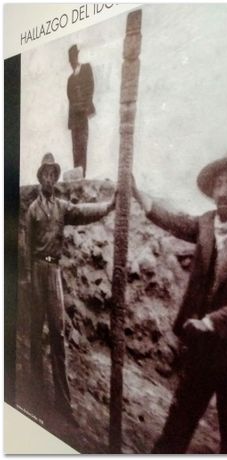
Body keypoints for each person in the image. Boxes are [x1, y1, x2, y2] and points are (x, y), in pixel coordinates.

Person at [132, 146, 227, 454]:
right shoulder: (206, 224)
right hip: (201, 350)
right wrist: (139, 195)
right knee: (177, 426)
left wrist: (212, 321)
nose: (222, 191)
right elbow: (175, 221)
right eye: (218, 183)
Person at [26, 153, 115, 425]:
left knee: (58, 335)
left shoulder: (62, 208)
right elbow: (28, 248)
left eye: (54, 174)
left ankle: (63, 405)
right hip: (37, 273)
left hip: (53, 272)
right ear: (40, 177)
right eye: (46, 175)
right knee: (33, 334)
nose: (50, 179)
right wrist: (30, 282)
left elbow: (84, 212)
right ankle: (36, 396)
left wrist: (109, 206)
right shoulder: (33, 211)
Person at [67, 44, 95, 177]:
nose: (71, 62)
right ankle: (76, 175)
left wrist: (84, 107)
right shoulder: (70, 80)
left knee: (82, 145)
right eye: (70, 60)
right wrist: (76, 107)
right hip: (74, 118)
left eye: (73, 58)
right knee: (75, 148)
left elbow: (90, 88)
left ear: (76, 57)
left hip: (83, 115)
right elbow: (70, 97)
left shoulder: (86, 69)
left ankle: (82, 175)